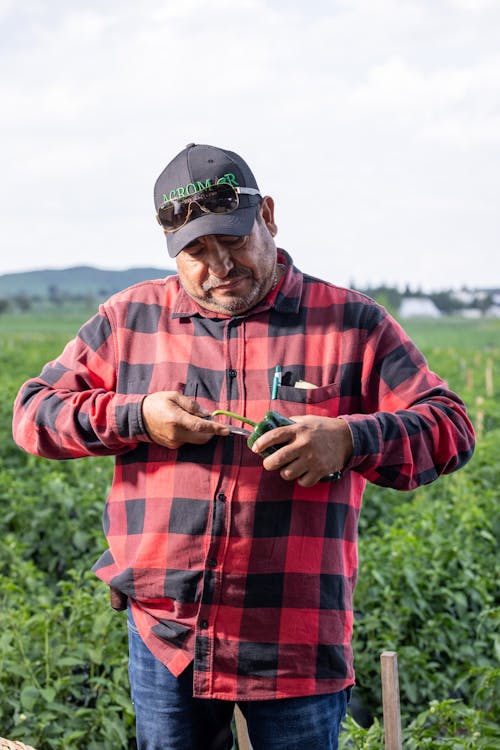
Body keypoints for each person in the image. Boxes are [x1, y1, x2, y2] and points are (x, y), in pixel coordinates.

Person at [12, 143, 475, 750]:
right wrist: (138, 417)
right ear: (174, 254)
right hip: (166, 633)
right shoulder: (129, 320)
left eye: (232, 242)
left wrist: (350, 438)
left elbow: (450, 428)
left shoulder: (351, 322)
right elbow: (33, 415)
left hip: (292, 639)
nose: (219, 266)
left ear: (270, 218)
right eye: (197, 253)